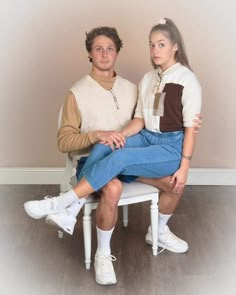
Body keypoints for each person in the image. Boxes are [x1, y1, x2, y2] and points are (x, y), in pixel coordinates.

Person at [24, 21, 202, 285]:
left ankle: (64, 204)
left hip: (168, 146)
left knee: (122, 160)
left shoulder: (184, 80)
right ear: (90, 53)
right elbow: (141, 120)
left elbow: (188, 127)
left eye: (161, 44)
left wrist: (185, 166)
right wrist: (112, 136)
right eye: (152, 45)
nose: (155, 50)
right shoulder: (147, 80)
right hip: (143, 139)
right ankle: (74, 214)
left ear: (175, 47)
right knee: (106, 146)